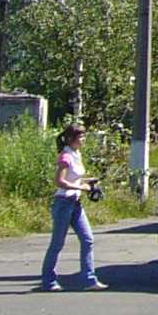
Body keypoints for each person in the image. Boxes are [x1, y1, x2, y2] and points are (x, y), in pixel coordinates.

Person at [41, 123, 104, 291]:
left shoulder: (76, 154)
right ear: (70, 140)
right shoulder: (66, 157)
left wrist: (86, 181)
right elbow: (60, 182)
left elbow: (73, 179)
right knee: (57, 243)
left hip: (75, 203)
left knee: (88, 239)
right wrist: (81, 188)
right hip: (64, 203)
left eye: (84, 137)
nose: (83, 140)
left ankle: (89, 280)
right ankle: (48, 281)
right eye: (80, 137)